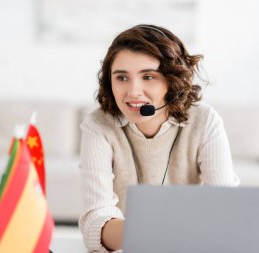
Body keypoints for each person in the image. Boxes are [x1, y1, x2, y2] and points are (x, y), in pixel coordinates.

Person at [78, 24, 240, 253]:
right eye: (122, 77)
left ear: (171, 81)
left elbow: (225, 208)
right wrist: (156, 232)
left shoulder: (204, 121)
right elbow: (96, 220)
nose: (133, 91)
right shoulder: (98, 126)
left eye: (148, 77)